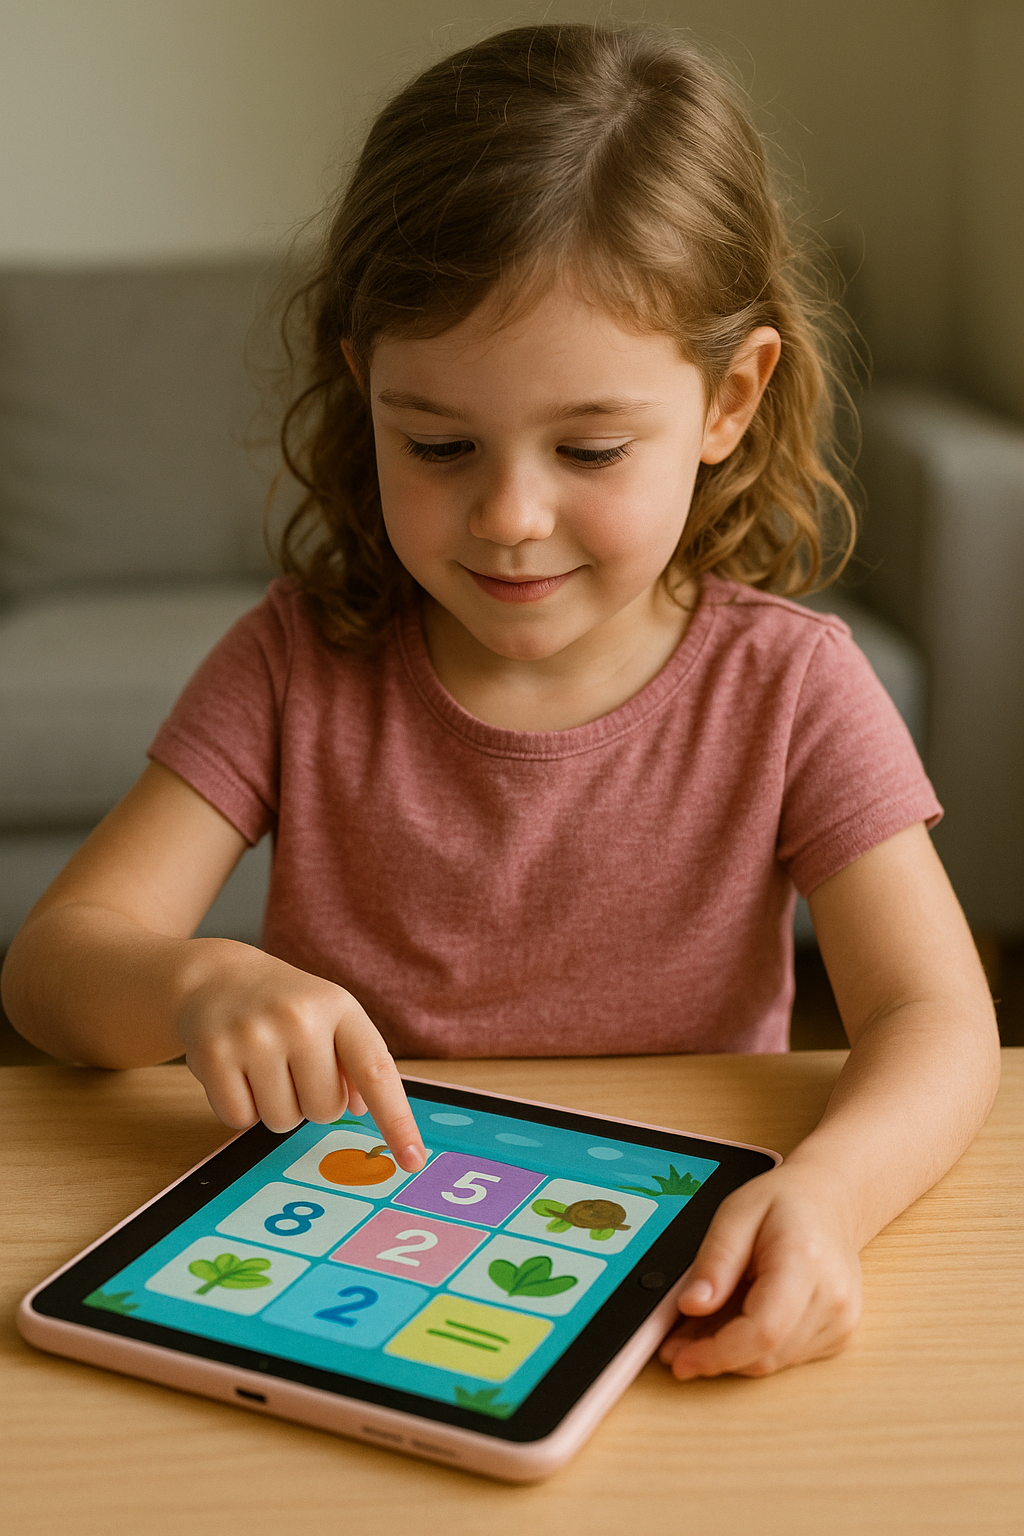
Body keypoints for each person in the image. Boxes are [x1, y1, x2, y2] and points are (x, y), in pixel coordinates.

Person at [1, 22, 999, 1384]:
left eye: (589, 446)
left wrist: (831, 1196)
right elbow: (55, 964)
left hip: (658, 1281)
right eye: (439, 443)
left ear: (731, 399)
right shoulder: (295, 660)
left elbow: (939, 1025)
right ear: (362, 389)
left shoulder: (791, 687)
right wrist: (192, 982)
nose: (511, 518)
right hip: (342, 1270)